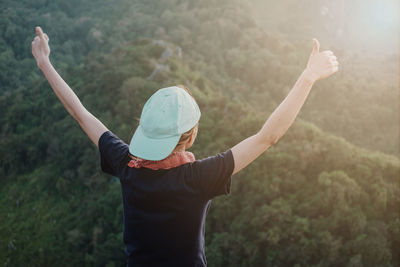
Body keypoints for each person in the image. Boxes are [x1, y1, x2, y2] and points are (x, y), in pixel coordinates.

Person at [31, 26, 339, 266]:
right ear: (190, 137)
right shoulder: (198, 178)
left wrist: (45, 63)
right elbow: (267, 136)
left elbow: (80, 114)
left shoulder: (127, 164)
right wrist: (308, 77)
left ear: (144, 130)